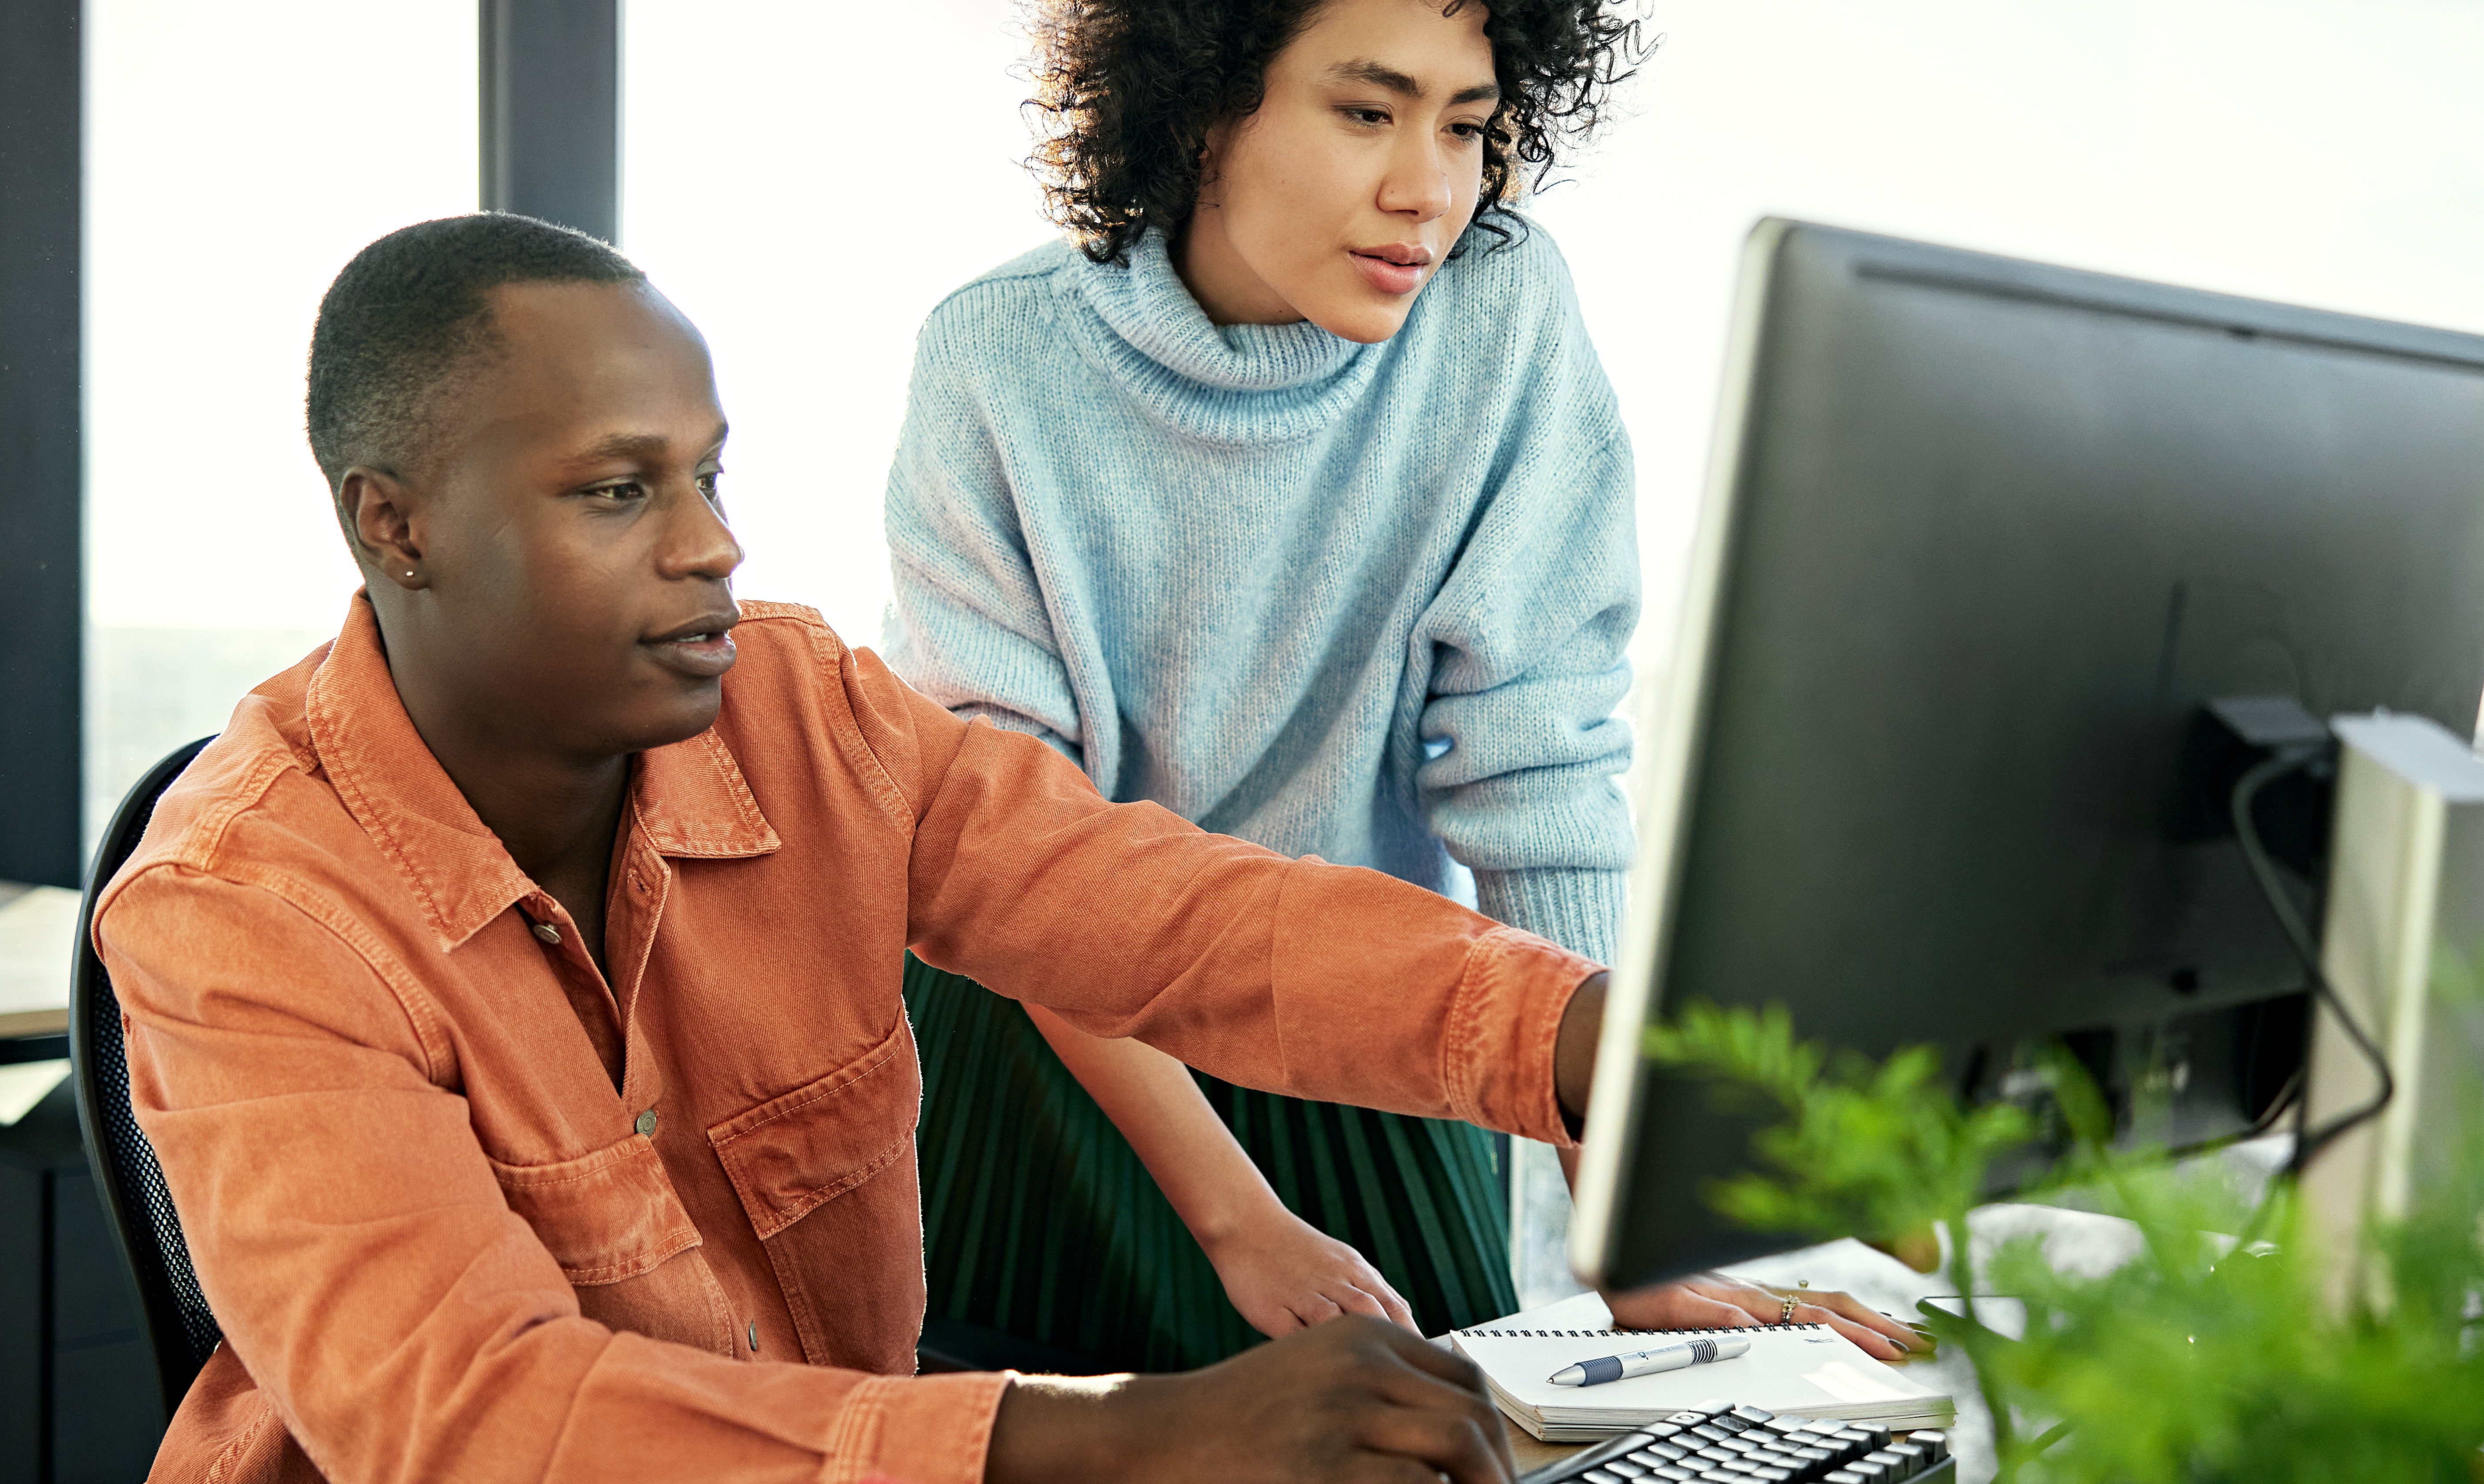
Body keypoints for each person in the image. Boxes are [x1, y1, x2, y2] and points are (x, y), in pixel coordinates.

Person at [96, 210, 1712, 1484]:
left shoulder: (797, 714)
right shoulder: (240, 908)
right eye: (615, 488)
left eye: (708, 472)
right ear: (397, 524)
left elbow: (1170, 919)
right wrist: (1116, 1438)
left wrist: (1581, 1038)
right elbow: (468, 1420)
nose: (712, 541)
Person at [885, 0, 1914, 1366]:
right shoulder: (995, 356)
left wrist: (1627, 1226)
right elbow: (1014, 855)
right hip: (1048, 1045)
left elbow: (1535, 764)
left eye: (1468, 124)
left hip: (1374, 1014)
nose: (1426, 190)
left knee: (1450, 1419)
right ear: (1200, 103)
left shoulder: (1500, 309)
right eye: (1366, 112)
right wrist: (1236, 1215)